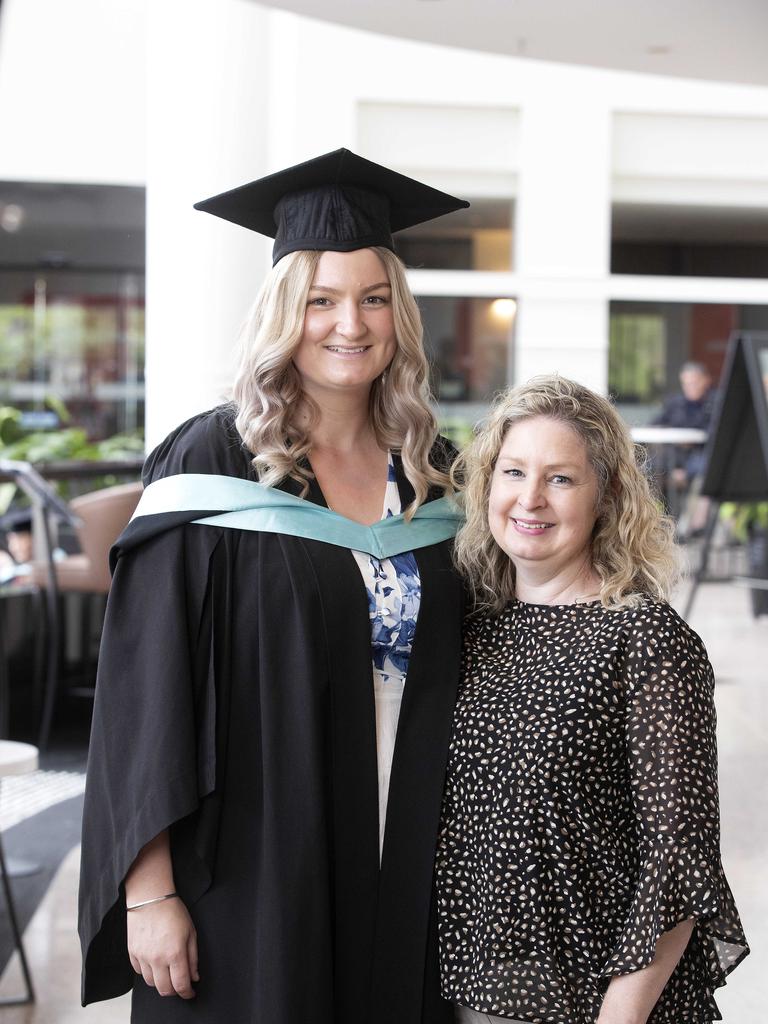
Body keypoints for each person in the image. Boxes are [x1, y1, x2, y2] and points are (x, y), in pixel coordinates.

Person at [78, 149, 469, 1023]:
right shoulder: (213, 457)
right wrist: (150, 893)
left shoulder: (434, 471)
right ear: (284, 311)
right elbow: (147, 688)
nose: (349, 324)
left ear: (399, 313)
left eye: (373, 298)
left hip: (406, 839)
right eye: (321, 300)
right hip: (255, 847)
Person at [436, 375, 748, 1024]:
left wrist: (620, 1017)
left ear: (605, 497)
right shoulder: (473, 628)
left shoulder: (646, 638)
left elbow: (680, 858)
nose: (530, 498)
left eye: (561, 479)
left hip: (592, 999)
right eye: (513, 472)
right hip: (467, 987)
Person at [653, 361, 716, 491]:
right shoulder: (676, 403)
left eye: (694, 383)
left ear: (706, 381)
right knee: (650, 467)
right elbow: (656, 423)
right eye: (686, 384)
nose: (689, 387)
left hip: (702, 454)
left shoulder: (716, 402)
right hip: (674, 454)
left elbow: (716, 431)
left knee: (704, 469)